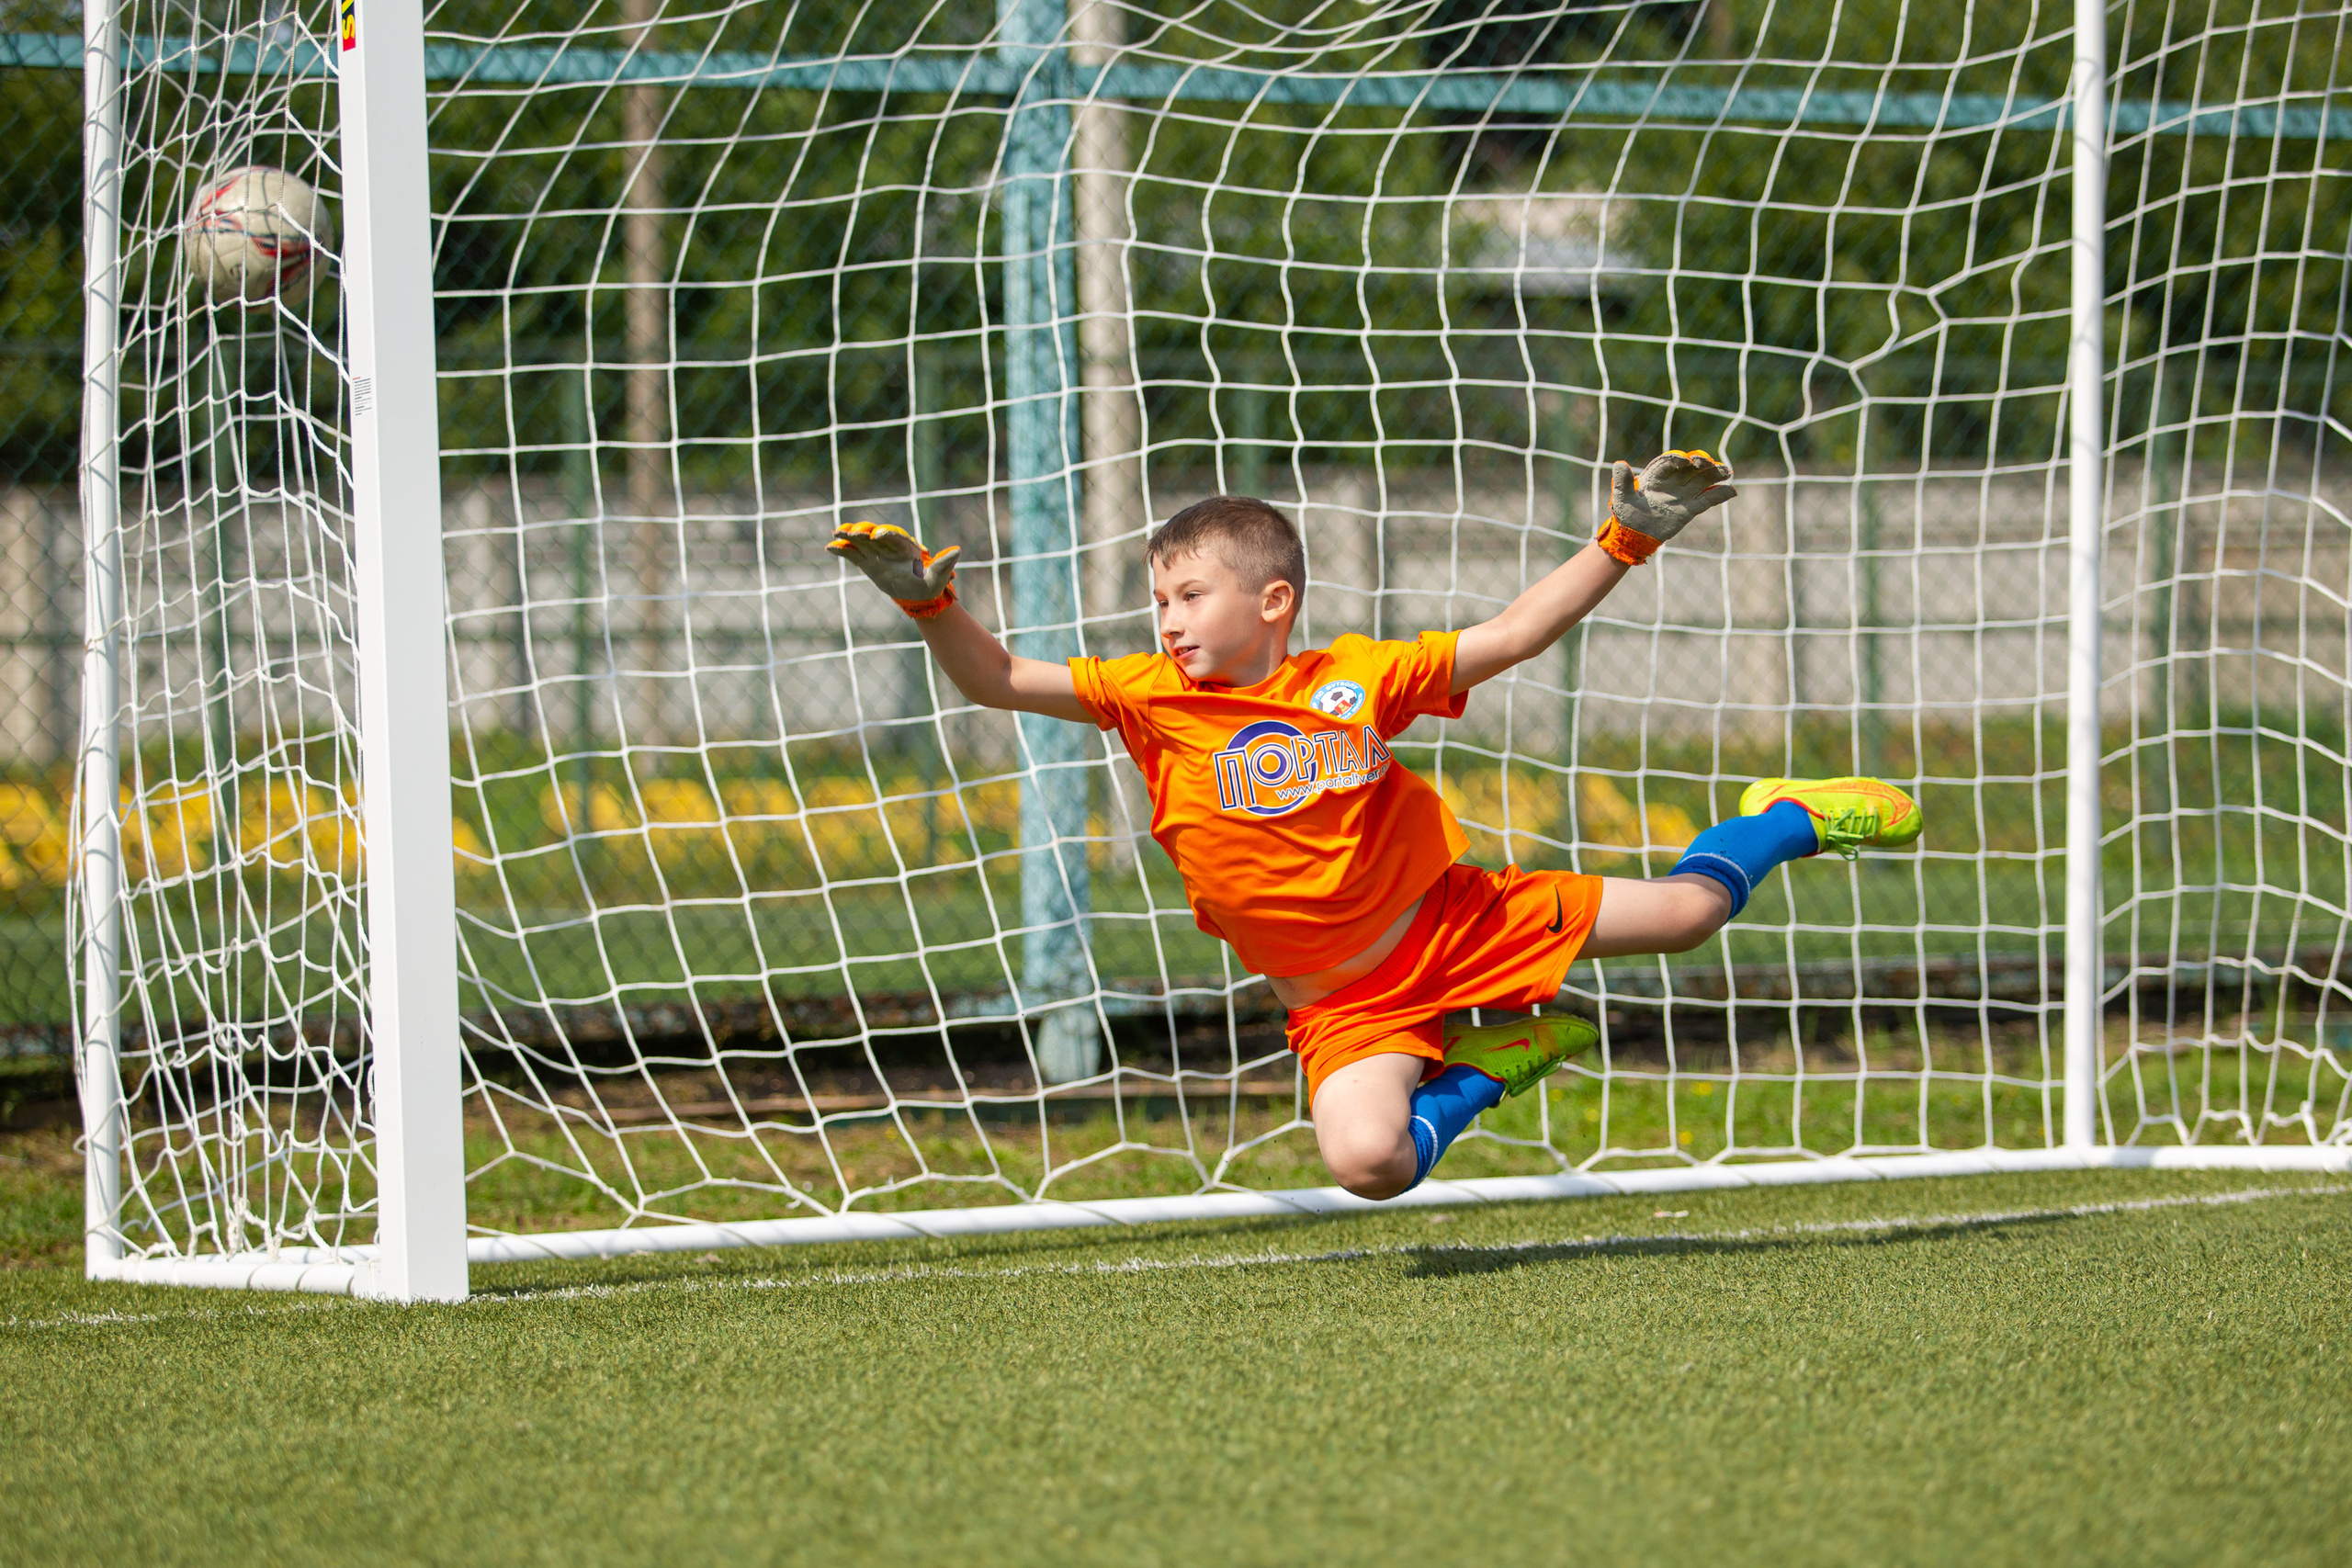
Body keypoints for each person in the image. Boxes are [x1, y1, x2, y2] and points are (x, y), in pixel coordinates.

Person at [828, 452, 1921, 1198]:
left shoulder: (1357, 677)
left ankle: (1784, 817)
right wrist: (928, 605)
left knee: (1686, 916)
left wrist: (1626, 538)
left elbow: (1512, 635)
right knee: (1370, 1166)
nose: (1167, 620)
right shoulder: (1142, 693)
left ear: (1271, 603)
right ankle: (1491, 1061)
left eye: (1190, 596)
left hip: (1450, 922)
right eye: (1159, 600)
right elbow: (999, 680)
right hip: (1340, 1004)